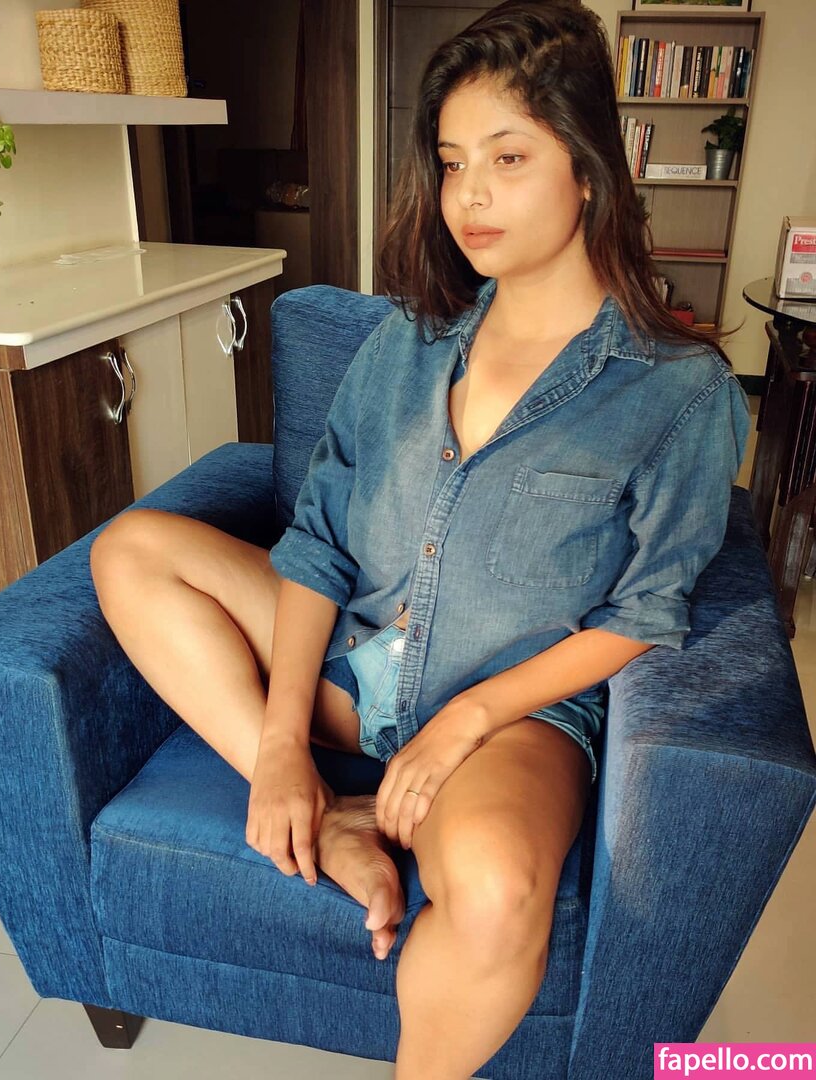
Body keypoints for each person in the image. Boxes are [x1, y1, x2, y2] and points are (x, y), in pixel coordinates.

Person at [90, 1, 752, 1076]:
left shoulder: (678, 390)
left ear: (589, 169)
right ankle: (333, 820)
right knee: (131, 551)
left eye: (507, 157)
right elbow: (317, 542)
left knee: (495, 887)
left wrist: (467, 720)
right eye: (452, 163)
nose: (470, 195)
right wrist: (279, 751)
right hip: (351, 675)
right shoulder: (406, 341)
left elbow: (646, 613)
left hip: (509, 722)